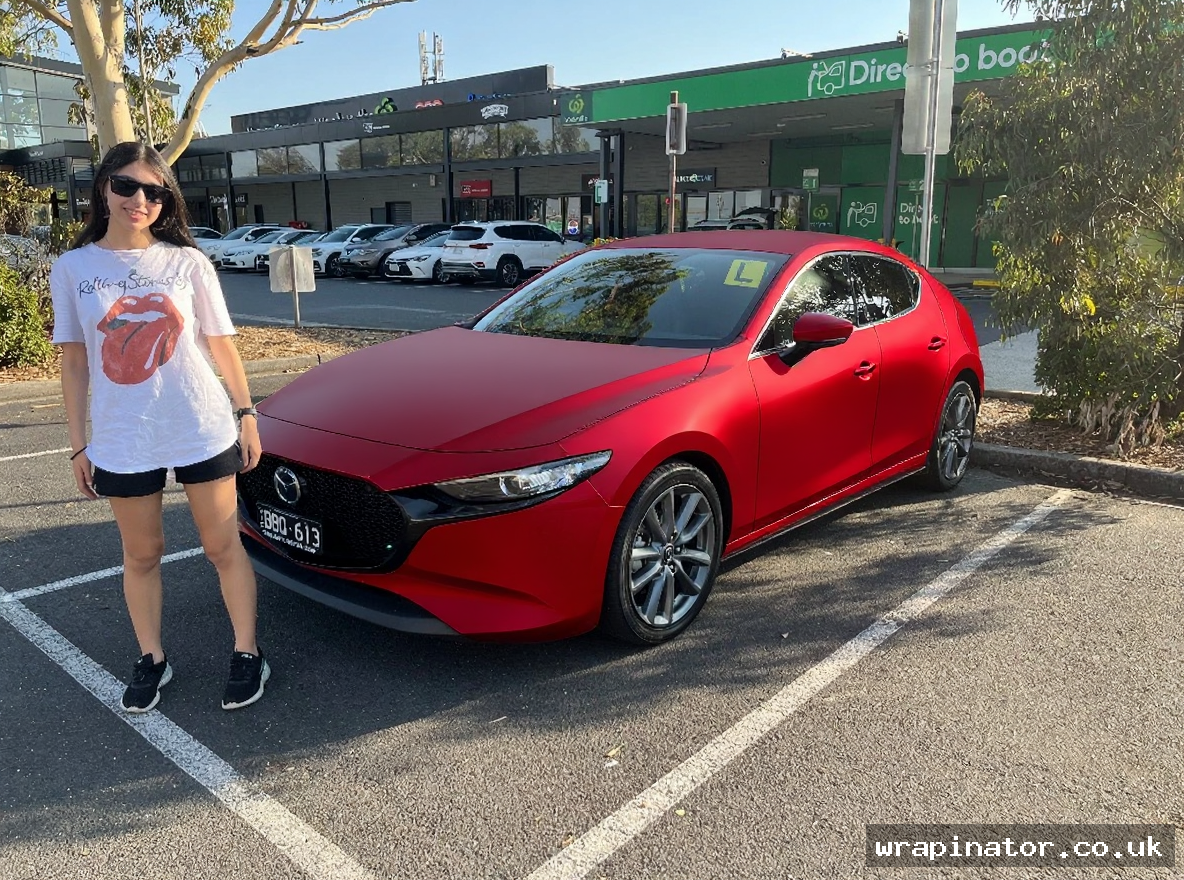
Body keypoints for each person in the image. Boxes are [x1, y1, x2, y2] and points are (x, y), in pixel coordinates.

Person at [50, 141, 270, 713]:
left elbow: (220, 343)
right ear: (103, 188)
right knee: (142, 553)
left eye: (154, 190)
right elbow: (74, 361)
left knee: (222, 545)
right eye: (126, 186)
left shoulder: (186, 262)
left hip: (200, 422)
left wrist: (246, 413)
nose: (139, 199)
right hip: (124, 437)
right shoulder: (73, 268)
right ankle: (152, 657)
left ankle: (247, 651)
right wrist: (79, 443)